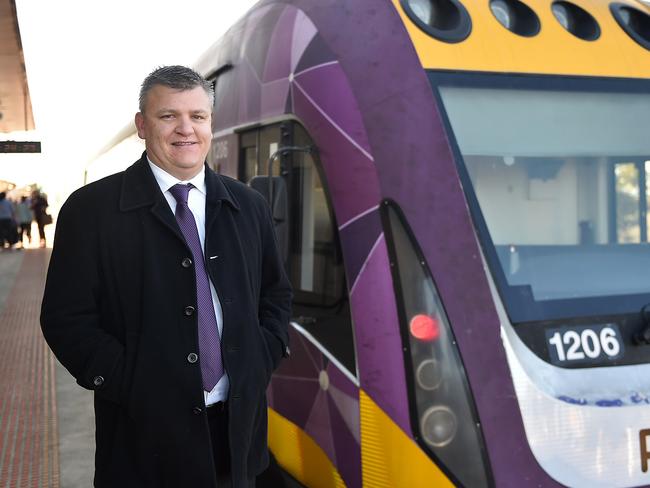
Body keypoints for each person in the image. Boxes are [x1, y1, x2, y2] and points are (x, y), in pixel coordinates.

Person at [41, 66, 292, 488]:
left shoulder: (249, 206)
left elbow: (275, 294)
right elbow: (66, 320)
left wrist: (261, 356)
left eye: (198, 116)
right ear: (142, 125)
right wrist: (132, 383)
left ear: (211, 123)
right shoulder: (91, 211)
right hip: (143, 439)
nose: (185, 129)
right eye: (168, 116)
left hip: (237, 435)